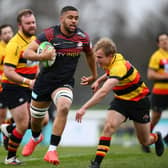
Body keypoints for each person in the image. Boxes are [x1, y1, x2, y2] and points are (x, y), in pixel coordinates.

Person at [22, 5, 97, 165]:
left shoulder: (82, 37)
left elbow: (90, 54)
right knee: (36, 121)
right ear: (61, 18)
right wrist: (43, 57)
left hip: (64, 83)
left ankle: (52, 150)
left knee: (63, 107)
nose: (74, 21)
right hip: (44, 83)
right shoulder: (49, 34)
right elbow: (27, 53)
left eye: (76, 18)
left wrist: (94, 75)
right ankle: (36, 138)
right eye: (70, 17)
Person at [75, 37, 164, 168]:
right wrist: (98, 80)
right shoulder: (113, 60)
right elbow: (108, 73)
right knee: (108, 127)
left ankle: (156, 137)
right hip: (121, 101)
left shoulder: (119, 67)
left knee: (145, 141)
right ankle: (96, 164)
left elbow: (104, 92)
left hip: (139, 103)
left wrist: (84, 108)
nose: (96, 60)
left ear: (110, 56)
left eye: (99, 57)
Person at [1, 9, 48, 165]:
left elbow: (35, 64)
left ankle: (10, 128)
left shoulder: (35, 40)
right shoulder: (14, 44)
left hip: (30, 85)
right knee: (23, 124)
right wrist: (28, 82)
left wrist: (38, 75)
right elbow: (7, 72)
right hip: (13, 86)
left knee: (44, 120)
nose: (32, 25)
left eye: (33, 22)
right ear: (20, 25)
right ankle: (10, 158)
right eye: (28, 23)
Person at [142, 33, 168, 152]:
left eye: (166, 39)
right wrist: (165, 76)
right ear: (158, 43)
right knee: (156, 117)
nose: (164, 42)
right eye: (162, 40)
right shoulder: (156, 56)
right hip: (160, 91)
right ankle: (146, 139)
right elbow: (150, 75)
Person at [0, 24, 14, 127]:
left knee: (21, 113)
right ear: (1, 36)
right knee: (2, 114)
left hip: (16, 85)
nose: (8, 35)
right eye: (5, 33)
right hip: (2, 86)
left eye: (9, 32)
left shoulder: (16, 46)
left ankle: (7, 131)